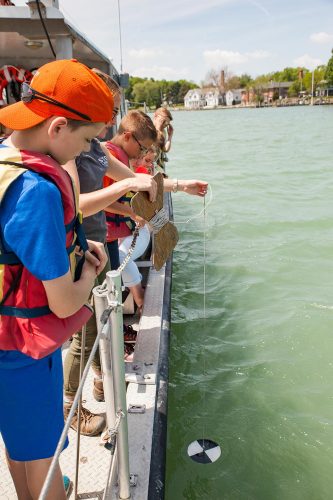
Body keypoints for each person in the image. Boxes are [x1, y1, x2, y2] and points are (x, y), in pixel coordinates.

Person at [0, 59, 113, 499]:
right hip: (23, 353)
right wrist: (89, 271)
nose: (85, 152)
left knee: (20, 447)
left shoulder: (6, 162)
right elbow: (65, 303)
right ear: (58, 126)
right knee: (46, 463)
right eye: (86, 140)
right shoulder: (39, 191)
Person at [62, 73, 157, 436]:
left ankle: (100, 381)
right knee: (84, 330)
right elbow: (74, 204)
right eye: (108, 110)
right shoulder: (70, 152)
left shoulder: (96, 147)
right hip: (81, 250)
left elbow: (127, 183)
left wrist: (178, 186)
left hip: (96, 248)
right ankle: (71, 403)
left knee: (99, 321)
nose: (110, 119)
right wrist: (130, 192)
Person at [103, 110, 158, 312]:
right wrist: (132, 213)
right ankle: (139, 301)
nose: (142, 155)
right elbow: (103, 199)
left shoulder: (119, 158)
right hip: (105, 236)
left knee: (115, 272)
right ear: (127, 136)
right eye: (142, 148)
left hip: (113, 234)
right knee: (113, 271)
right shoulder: (111, 157)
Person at [153, 107, 173, 171]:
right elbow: (154, 151)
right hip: (151, 164)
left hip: (159, 165)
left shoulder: (163, 131)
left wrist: (170, 136)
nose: (164, 125)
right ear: (155, 117)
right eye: (163, 121)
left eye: (167, 124)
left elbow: (165, 149)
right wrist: (158, 129)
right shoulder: (148, 130)